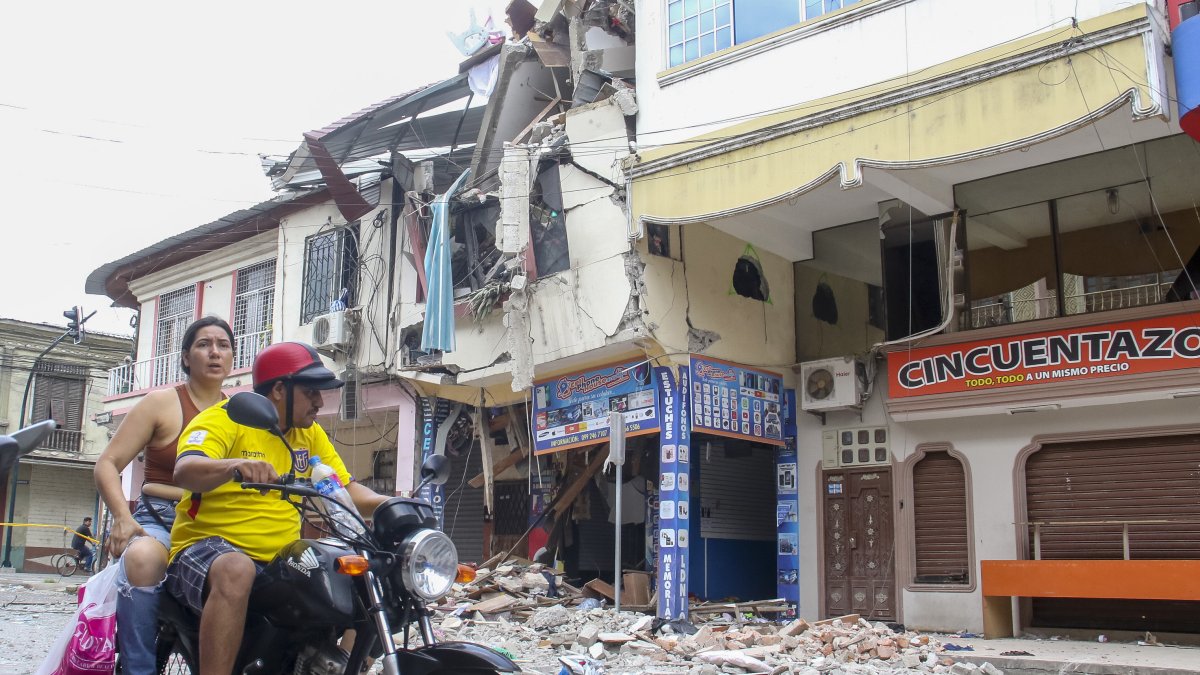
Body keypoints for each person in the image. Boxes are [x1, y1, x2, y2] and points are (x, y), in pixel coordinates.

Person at [167, 342, 390, 675]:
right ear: (278, 390)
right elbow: (186, 470)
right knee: (236, 569)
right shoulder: (224, 419)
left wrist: (395, 505)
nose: (320, 401)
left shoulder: (308, 434)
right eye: (312, 391)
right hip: (207, 548)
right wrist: (234, 466)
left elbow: (342, 487)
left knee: (361, 572)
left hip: (279, 558)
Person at [93, 317, 234, 675]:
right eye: (204, 345)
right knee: (141, 560)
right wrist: (122, 519)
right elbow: (107, 463)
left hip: (220, 524)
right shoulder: (161, 403)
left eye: (223, 345)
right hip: (161, 519)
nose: (215, 352)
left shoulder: (242, 413)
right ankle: (137, 668)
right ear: (186, 357)